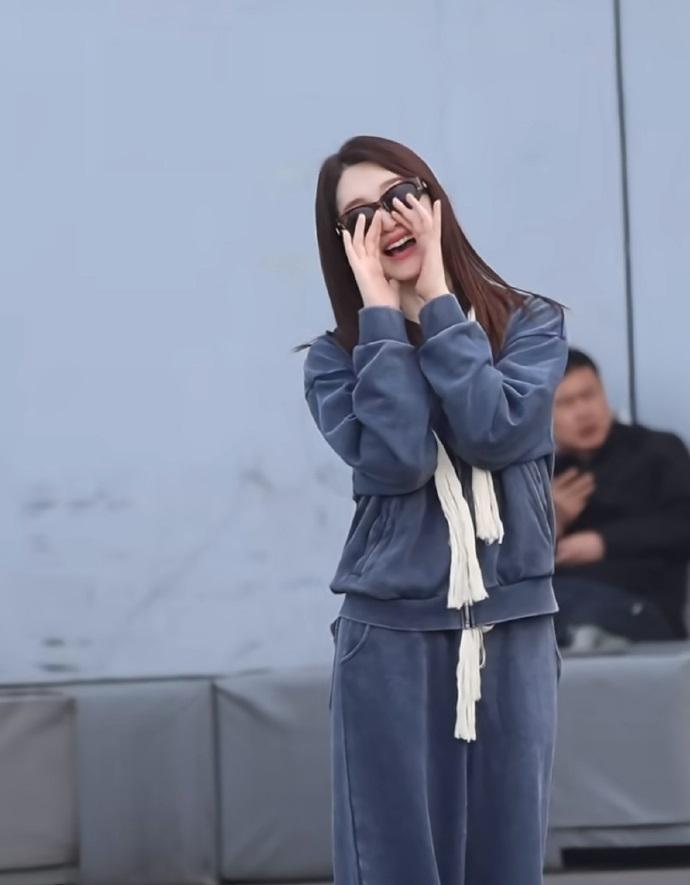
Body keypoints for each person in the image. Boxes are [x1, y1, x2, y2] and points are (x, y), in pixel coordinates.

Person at [303, 135, 567, 885]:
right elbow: (400, 461)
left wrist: (441, 304)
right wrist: (383, 323)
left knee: (507, 863)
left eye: (398, 195)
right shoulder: (336, 359)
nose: (385, 218)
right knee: (393, 865)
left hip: (513, 628)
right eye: (358, 215)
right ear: (344, 245)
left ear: (432, 201)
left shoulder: (529, 324)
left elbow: (493, 431)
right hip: (389, 640)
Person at [552, 348, 690, 650]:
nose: (583, 412)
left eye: (589, 395)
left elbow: (683, 523)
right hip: (561, 601)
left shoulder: (656, 451)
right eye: (565, 403)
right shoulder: (545, 477)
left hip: (640, 605)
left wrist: (602, 542)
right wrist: (552, 520)